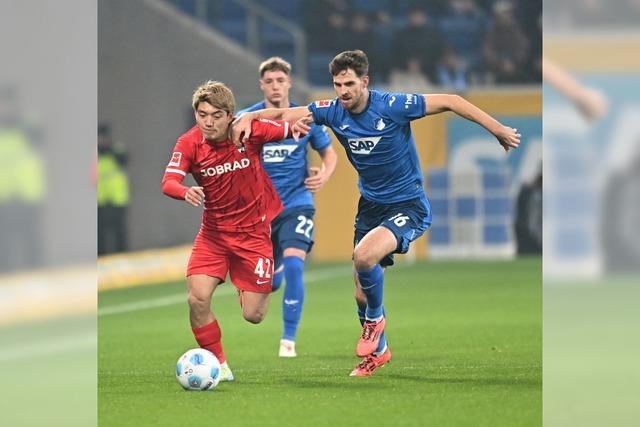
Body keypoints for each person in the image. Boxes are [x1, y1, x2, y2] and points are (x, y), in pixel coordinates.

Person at [233, 50, 521, 377]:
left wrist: (497, 129)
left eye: (350, 84)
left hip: (407, 204)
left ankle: (374, 322)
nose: (343, 91)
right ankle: (379, 352)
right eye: (338, 84)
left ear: (365, 82)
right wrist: (250, 117)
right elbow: (287, 113)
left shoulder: (393, 106)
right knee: (360, 290)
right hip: (370, 206)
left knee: (363, 256)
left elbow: (452, 100)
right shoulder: (332, 111)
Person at [161, 80, 297, 381]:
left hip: (254, 235)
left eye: (216, 115)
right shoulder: (189, 142)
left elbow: (294, 122)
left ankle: (251, 281)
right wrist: (184, 192)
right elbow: (168, 181)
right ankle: (219, 365)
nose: (208, 122)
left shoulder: (249, 132)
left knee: (254, 316)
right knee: (197, 298)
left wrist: (295, 127)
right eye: (202, 114)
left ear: (230, 115)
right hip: (214, 236)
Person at [238, 57, 337, 358]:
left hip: (296, 203)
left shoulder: (304, 118)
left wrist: (323, 173)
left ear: (289, 83)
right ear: (261, 85)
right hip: (259, 212)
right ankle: (274, 268)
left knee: (296, 265)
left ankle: (288, 341)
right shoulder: (248, 118)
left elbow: (329, 154)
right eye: (269, 81)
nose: (275, 86)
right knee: (271, 281)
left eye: (280, 81)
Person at [97, 123, 130, 255]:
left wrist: (108, 149)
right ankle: (101, 255)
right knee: (100, 231)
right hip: (101, 197)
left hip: (118, 197)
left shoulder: (116, 149)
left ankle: (122, 254)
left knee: (119, 229)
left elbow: (124, 159)